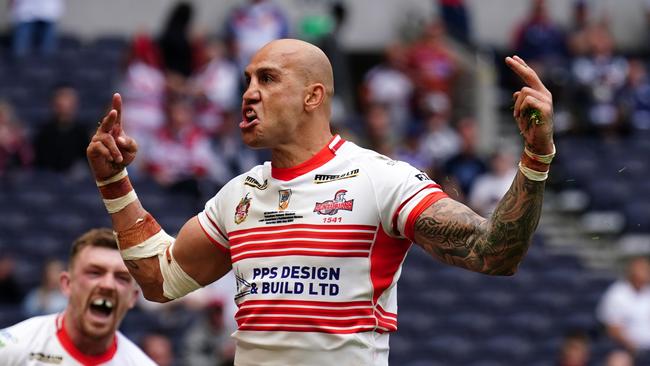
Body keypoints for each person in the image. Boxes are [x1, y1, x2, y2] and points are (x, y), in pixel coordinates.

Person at [86, 39, 555, 365]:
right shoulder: (238, 195)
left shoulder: (379, 178)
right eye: (248, 79)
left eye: (268, 79)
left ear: (314, 97)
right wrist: (114, 183)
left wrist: (535, 156)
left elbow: (494, 252)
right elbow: (160, 279)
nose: (249, 92)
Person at [0, 228, 155, 365]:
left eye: (121, 278)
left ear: (133, 297)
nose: (108, 285)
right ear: (67, 284)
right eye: (95, 272)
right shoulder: (12, 348)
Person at [596, 256, 650, 355]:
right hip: (626, 349)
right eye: (643, 269)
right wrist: (631, 345)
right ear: (632, 271)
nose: (646, 273)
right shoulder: (618, 293)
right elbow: (612, 327)